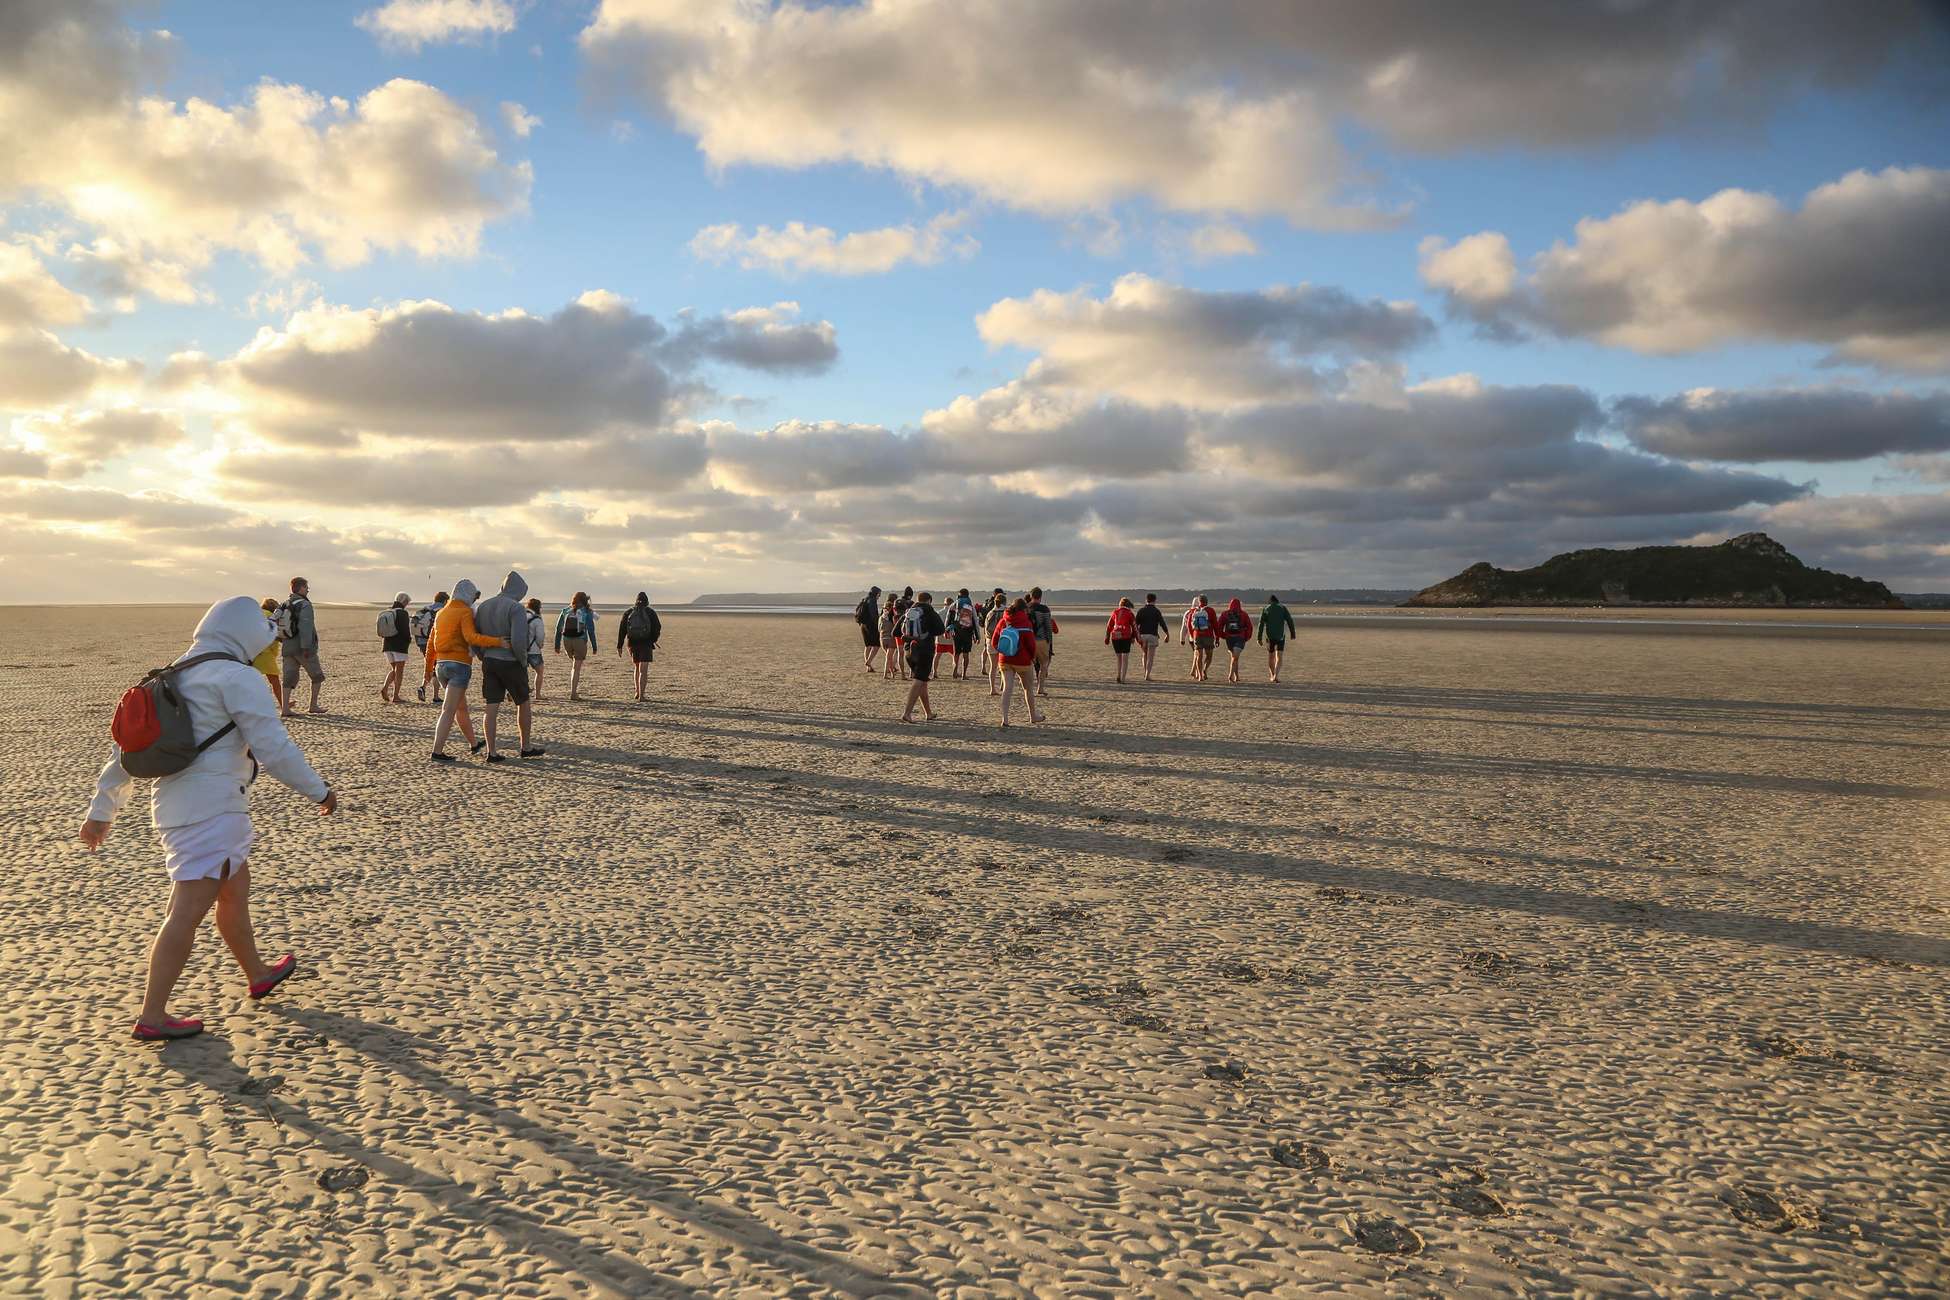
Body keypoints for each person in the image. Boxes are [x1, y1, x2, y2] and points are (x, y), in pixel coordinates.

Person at [81, 596, 338, 1040]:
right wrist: (320, 790)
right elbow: (274, 749)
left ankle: (257, 972)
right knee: (185, 912)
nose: (269, 650)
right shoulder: (237, 677)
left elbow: (123, 750)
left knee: (234, 890)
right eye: (266, 642)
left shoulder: (169, 676)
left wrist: (102, 810)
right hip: (212, 811)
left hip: (179, 807)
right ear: (245, 636)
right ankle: (153, 1015)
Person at [427, 578, 503, 762]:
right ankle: (437, 752)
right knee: (449, 710)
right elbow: (471, 637)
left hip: (441, 665)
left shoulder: (441, 613)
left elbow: (431, 643)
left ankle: (474, 744)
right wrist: (498, 641)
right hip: (458, 665)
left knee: (461, 708)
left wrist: (428, 669)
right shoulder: (465, 612)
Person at [473, 572, 545, 762]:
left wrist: (482, 655)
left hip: (489, 661)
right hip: (511, 662)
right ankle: (525, 746)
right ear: (519, 591)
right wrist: (523, 660)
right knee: (523, 702)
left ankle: (492, 751)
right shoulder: (516, 608)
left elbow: (475, 636)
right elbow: (518, 640)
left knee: (491, 706)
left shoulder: (484, 606)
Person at [990, 597, 1043, 727]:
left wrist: (1003, 651)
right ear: (1024, 609)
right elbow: (1031, 645)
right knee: (1028, 689)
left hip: (1005, 660)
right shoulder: (1026, 623)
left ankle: (1005, 719)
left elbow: (994, 641)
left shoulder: (1004, 621)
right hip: (1023, 661)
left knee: (1007, 689)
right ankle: (1033, 716)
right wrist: (1032, 657)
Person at [278, 576, 325, 717]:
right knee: (317, 676)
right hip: (302, 647)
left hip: (287, 646)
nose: (308, 590)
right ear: (301, 588)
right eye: (306, 587)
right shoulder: (304, 604)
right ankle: (313, 705)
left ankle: (285, 708)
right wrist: (306, 647)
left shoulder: (285, 604)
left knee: (288, 677)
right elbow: (305, 627)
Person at [901, 591, 946, 722]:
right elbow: (940, 630)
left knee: (923, 682)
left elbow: (896, 631)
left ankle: (928, 713)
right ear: (929, 601)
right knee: (919, 680)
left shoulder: (909, 612)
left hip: (909, 650)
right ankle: (907, 713)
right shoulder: (929, 612)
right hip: (924, 650)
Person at [617, 592, 662, 701]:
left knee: (637, 668)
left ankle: (637, 692)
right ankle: (642, 696)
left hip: (632, 643)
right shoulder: (650, 612)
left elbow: (622, 629)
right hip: (646, 643)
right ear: (647, 601)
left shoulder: (629, 612)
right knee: (644, 670)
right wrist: (653, 639)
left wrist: (620, 645)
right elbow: (657, 627)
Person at [554, 592, 597, 701]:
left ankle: (573, 692)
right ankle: (573, 693)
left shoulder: (565, 611)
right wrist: (594, 645)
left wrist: (557, 645)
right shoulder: (586, 612)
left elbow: (558, 628)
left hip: (567, 641)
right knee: (576, 667)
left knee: (574, 664)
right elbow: (591, 630)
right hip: (580, 640)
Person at [377, 592, 412, 704]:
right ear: (404, 602)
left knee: (394, 669)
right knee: (399, 671)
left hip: (387, 644)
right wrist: (408, 640)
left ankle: (385, 687)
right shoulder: (403, 613)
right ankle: (396, 696)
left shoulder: (388, 611)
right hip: (399, 646)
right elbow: (405, 631)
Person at [412, 592, 447, 703]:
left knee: (429, 665)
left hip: (421, 641)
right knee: (435, 667)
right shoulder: (442, 611)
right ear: (445, 601)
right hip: (433, 642)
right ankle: (433, 695)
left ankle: (424, 688)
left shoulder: (425, 609)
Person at [1258, 593, 1297, 684]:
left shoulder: (1266, 609)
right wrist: (1293, 633)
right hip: (1280, 636)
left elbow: (1261, 624)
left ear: (1270, 601)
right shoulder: (1283, 608)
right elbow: (1289, 620)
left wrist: (1259, 637)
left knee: (1271, 656)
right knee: (1279, 656)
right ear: (1277, 601)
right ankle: (1276, 675)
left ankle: (1272, 675)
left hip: (1269, 636)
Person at [1216, 597, 1254, 684]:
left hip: (1229, 639)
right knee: (1235, 658)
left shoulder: (1225, 614)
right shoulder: (1244, 614)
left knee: (1234, 657)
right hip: (1240, 638)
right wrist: (1246, 637)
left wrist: (1222, 636)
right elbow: (1249, 627)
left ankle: (1236, 676)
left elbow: (1219, 626)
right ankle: (1230, 676)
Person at [1027, 587, 1057, 696]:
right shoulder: (1044, 609)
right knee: (1044, 664)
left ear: (1031, 596)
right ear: (1040, 597)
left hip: (1029, 640)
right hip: (1042, 640)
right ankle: (1040, 687)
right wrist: (1050, 642)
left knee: (1029, 664)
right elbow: (1048, 627)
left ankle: (1029, 687)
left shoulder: (1026, 608)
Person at [1134, 594, 1170, 682]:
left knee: (1144, 655)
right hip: (1153, 635)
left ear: (1146, 600)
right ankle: (1147, 674)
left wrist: (1135, 635)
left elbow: (1135, 624)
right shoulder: (1156, 611)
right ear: (1155, 600)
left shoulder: (1141, 610)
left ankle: (1145, 672)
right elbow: (1162, 623)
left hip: (1142, 635)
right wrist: (1167, 634)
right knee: (1151, 657)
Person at [1104, 598, 1139, 684]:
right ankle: (1123, 678)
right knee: (1125, 658)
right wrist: (1135, 638)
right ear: (1129, 606)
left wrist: (1107, 637)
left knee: (1119, 658)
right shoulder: (1130, 613)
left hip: (1115, 636)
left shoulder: (1115, 612)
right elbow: (1135, 627)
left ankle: (1118, 675)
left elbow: (1109, 625)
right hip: (1125, 636)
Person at [1183, 595, 1216, 682]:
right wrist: (1217, 637)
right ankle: (1204, 669)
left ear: (1199, 601)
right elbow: (1215, 624)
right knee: (1209, 656)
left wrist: (1192, 635)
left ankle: (1200, 676)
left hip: (1197, 636)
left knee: (1198, 656)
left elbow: (1189, 625)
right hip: (1208, 636)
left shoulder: (1193, 611)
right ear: (1207, 601)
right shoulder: (1211, 610)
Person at [949, 591, 979, 679]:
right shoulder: (970, 606)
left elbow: (948, 618)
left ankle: (954, 671)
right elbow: (975, 621)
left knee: (956, 653)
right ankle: (964, 675)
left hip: (956, 632)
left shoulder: (954, 605)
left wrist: (946, 630)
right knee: (966, 654)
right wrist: (977, 636)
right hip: (968, 632)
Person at [984, 591, 1009, 696]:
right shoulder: (1006, 613)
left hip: (991, 641)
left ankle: (992, 688)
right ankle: (1003, 686)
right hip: (1003, 641)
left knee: (993, 666)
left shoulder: (990, 613)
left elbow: (986, 629)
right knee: (1004, 666)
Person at [977, 587, 1005, 677]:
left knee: (986, 648)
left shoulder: (987, 602)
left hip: (988, 631)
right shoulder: (998, 605)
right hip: (998, 633)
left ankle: (983, 667)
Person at [523, 597, 547, 702]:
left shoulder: (521, 617)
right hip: (533, 650)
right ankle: (537, 694)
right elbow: (540, 636)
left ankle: (513, 692)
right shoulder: (537, 619)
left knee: (520, 672)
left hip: (520, 649)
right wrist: (540, 645)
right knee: (539, 671)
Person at [855, 586, 883, 672]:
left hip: (863, 625)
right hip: (871, 625)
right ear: (876, 593)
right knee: (876, 645)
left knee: (868, 646)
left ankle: (869, 667)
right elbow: (873, 615)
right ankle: (868, 662)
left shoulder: (864, 599)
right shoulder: (872, 600)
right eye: (879, 594)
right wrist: (878, 624)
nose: (879, 596)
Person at [879, 595, 903, 680]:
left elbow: (879, 628)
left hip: (882, 638)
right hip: (890, 639)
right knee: (889, 657)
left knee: (888, 657)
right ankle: (887, 673)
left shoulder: (881, 617)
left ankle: (890, 673)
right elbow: (895, 627)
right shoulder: (892, 617)